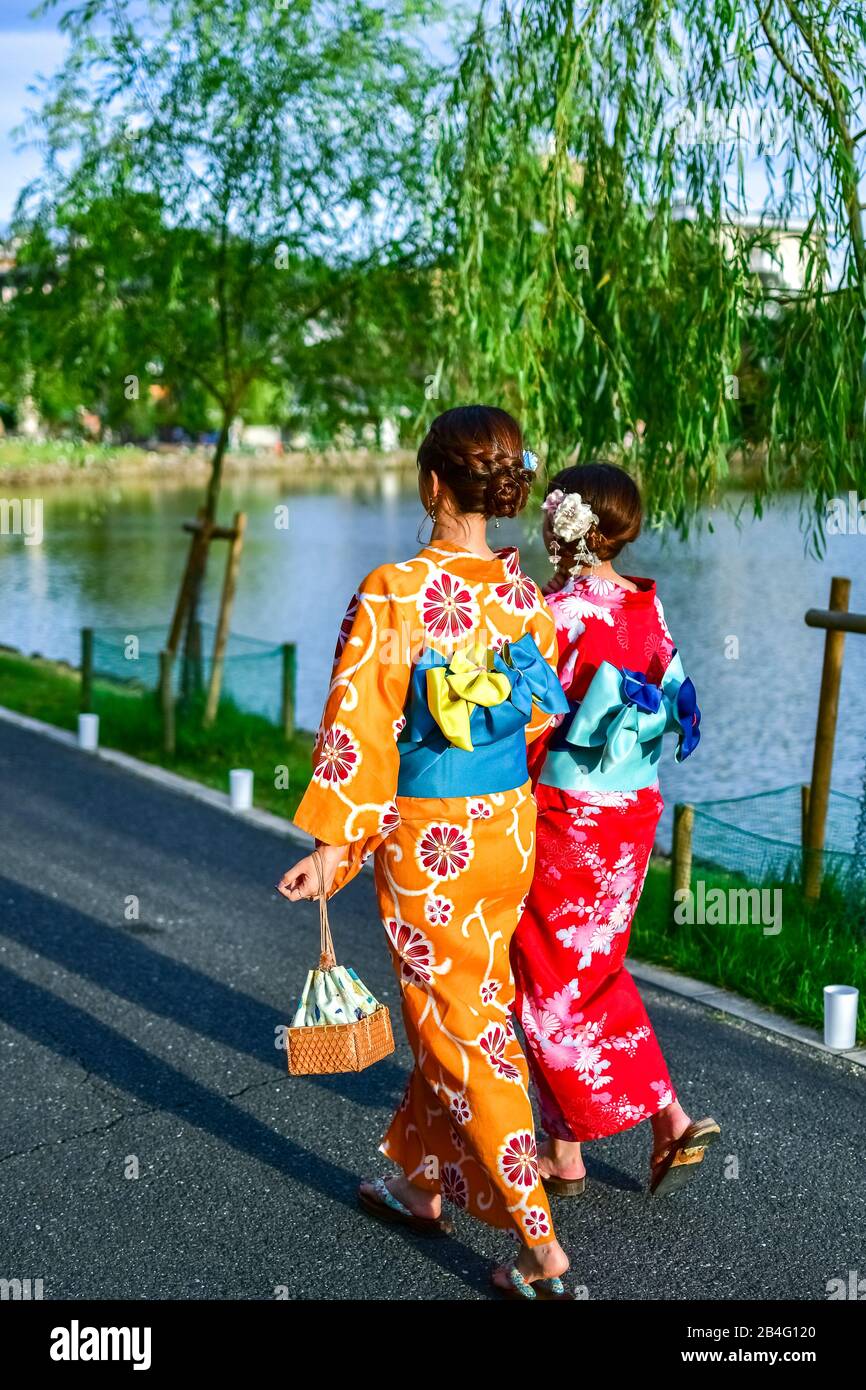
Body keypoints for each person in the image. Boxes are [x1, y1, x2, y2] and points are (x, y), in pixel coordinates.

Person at [278, 405, 573, 1299]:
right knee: (464, 1002)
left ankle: (540, 1247)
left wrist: (338, 847)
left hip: (430, 841)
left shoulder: (395, 592)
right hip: (504, 829)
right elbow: (538, 717)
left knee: (465, 1027)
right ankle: (418, 1180)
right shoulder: (526, 599)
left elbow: (359, 733)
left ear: (435, 484)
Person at [511, 461, 719, 1199]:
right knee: (589, 966)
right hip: (633, 810)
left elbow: (526, 723)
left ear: (568, 524)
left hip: (570, 816)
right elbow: (677, 695)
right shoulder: (646, 607)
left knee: (545, 981)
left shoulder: (558, 614)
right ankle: (565, 1150)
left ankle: (668, 1115)